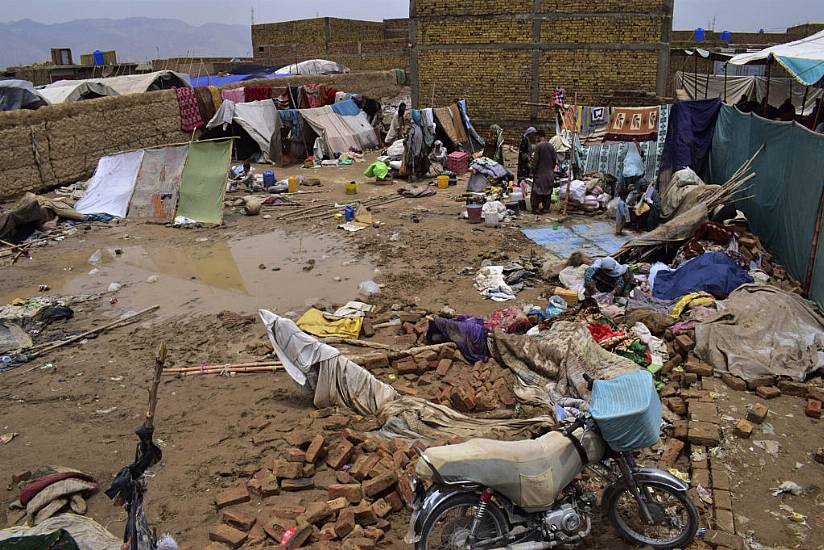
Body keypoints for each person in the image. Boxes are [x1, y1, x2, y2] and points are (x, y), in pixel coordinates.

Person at [530, 130, 556, 214]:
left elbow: (535, 161)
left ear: (538, 137)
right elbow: (554, 160)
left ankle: (536, 208)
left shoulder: (538, 146)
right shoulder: (551, 146)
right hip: (549, 173)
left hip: (540, 174)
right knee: (547, 192)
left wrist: (532, 171)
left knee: (537, 191)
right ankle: (546, 208)